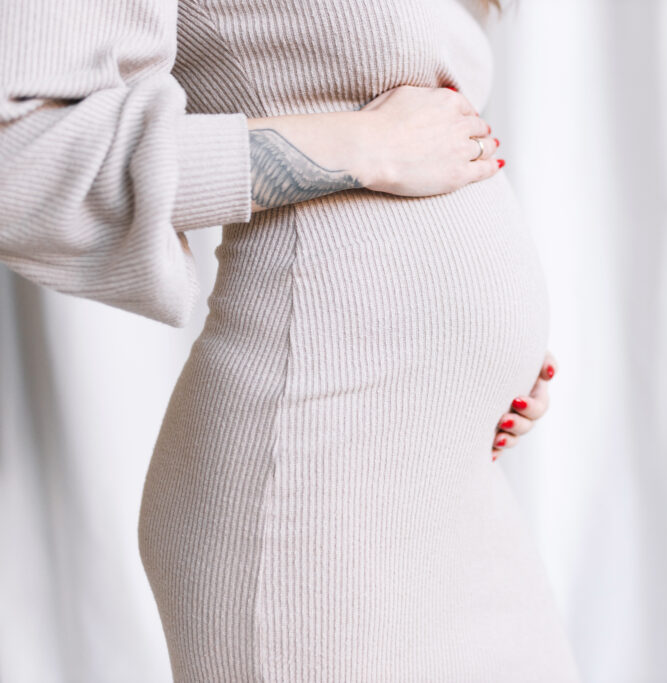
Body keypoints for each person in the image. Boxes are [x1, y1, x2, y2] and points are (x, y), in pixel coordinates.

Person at [0, 0, 581, 680]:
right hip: (310, 473)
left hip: (447, 476)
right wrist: (363, 146)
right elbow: (21, 160)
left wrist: (470, 373)